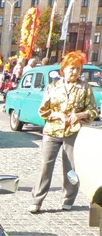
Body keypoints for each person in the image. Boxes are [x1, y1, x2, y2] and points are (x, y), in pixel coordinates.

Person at [28, 52, 98, 213]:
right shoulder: (53, 87)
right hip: (52, 131)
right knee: (46, 166)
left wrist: (80, 115)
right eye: (72, 68)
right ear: (64, 69)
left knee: (71, 168)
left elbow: (93, 110)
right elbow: (43, 111)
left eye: (78, 69)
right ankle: (37, 200)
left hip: (72, 132)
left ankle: (68, 199)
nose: (75, 72)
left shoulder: (85, 88)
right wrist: (58, 114)